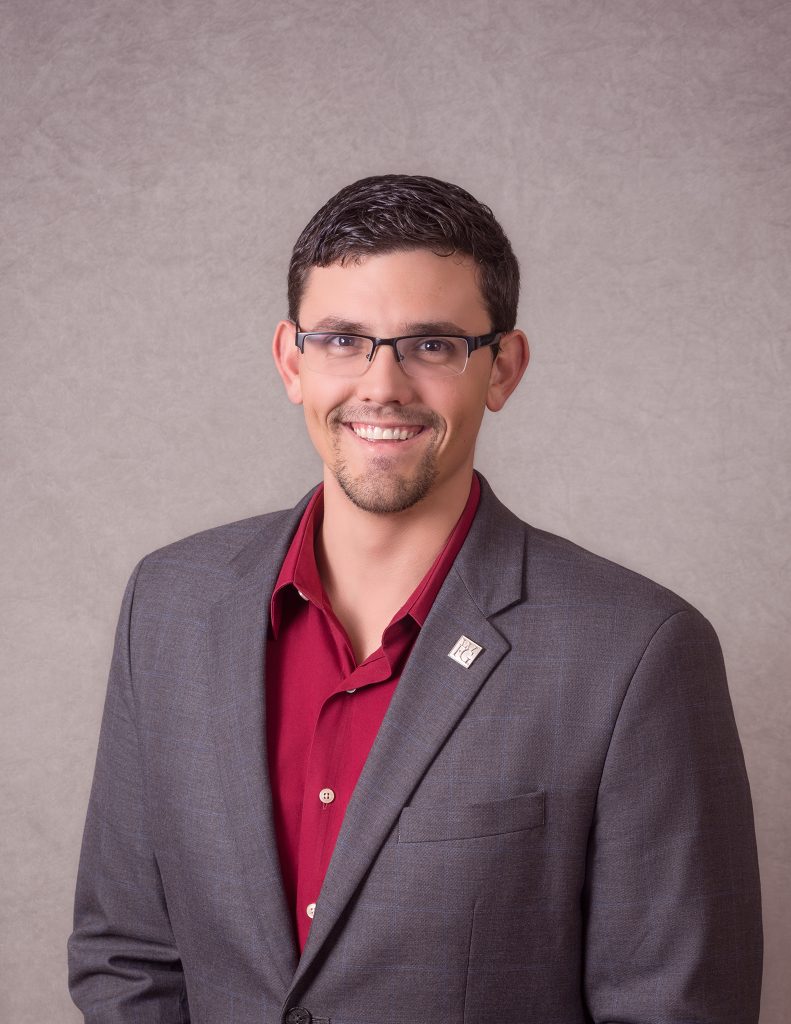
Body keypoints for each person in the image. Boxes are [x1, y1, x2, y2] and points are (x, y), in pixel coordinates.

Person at [68, 174, 762, 1024]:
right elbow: (125, 957)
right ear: (291, 360)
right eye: (343, 340)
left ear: (501, 368)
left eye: (430, 345)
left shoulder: (636, 651)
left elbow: (673, 1007)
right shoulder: (169, 605)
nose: (382, 385)